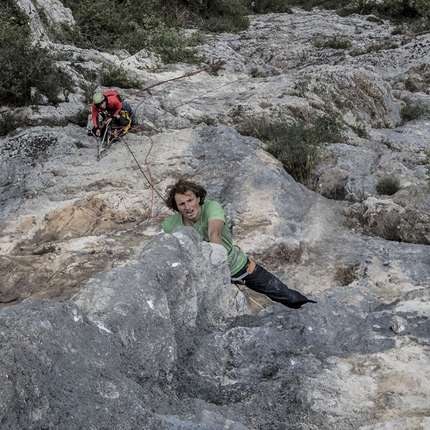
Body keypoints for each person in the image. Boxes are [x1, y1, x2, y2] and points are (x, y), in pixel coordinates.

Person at [162, 177, 317, 309]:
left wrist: (219, 267)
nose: (188, 207)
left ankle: (311, 307)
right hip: (205, 276)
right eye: (182, 204)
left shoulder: (211, 208)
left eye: (190, 200)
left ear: (197, 198)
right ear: (176, 207)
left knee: (284, 294)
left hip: (237, 265)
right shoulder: (170, 225)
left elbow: (214, 233)